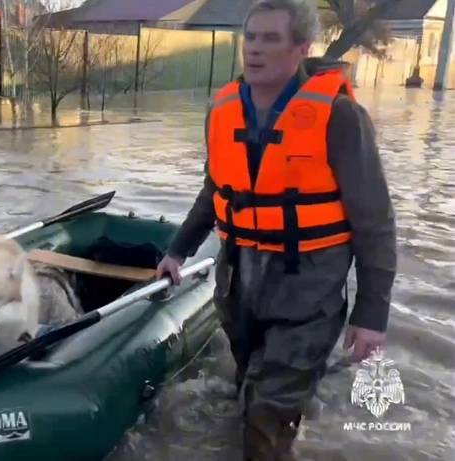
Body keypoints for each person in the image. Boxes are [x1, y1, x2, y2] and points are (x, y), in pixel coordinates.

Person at [155, 0, 397, 459]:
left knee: (267, 409)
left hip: (309, 284)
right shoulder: (222, 110)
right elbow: (215, 190)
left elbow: (376, 222)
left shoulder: (341, 118)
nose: (255, 49)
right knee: (246, 383)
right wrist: (178, 250)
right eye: (250, 38)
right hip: (240, 278)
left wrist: (371, 314)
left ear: (301, 48)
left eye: (271, 39)